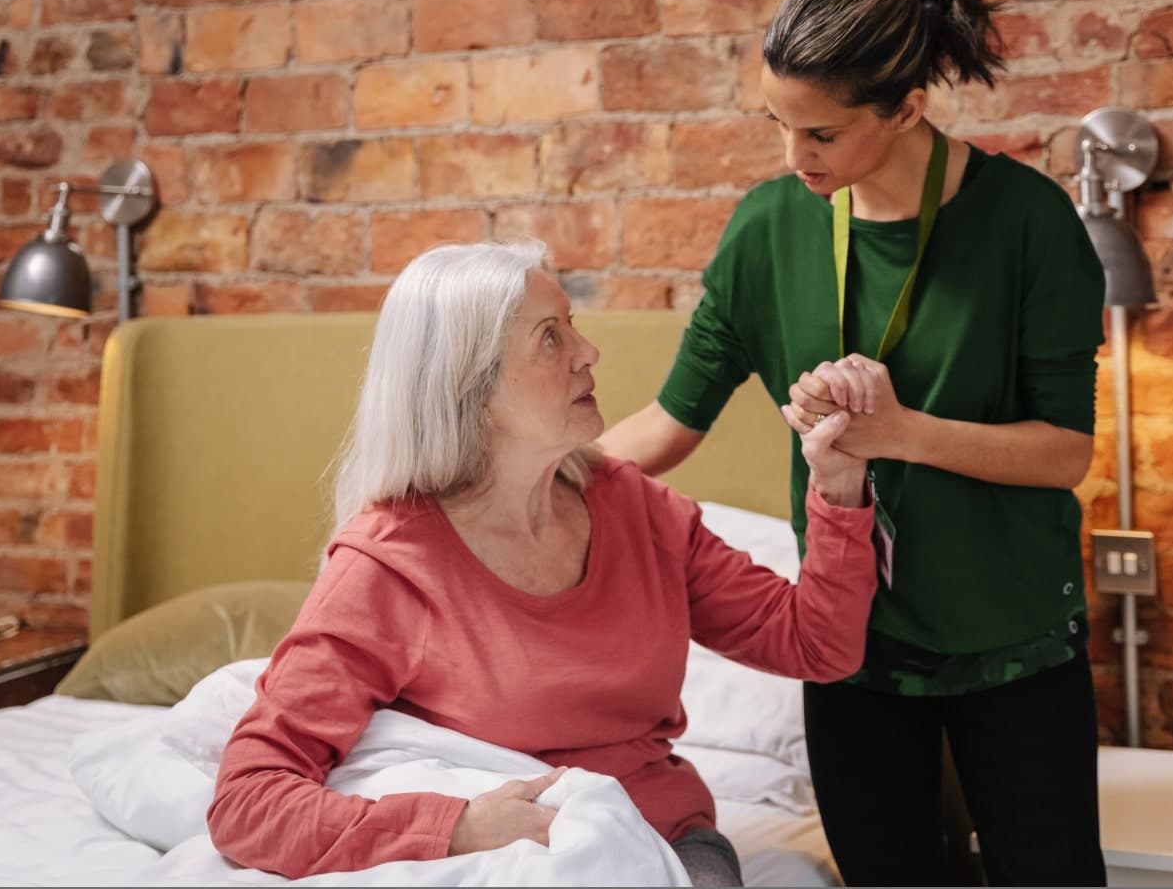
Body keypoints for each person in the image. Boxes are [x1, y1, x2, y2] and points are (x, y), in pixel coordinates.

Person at [599, 0, 1108, 888]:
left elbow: (1063, 454)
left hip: (1015, 646)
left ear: (906, 108)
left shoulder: (1029, 223)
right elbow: (666, 426)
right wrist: (508, 486)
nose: (793, 157)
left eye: (821, 135)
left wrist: (900, 434)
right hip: (851, 656)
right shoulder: (766, 229)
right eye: (778, 125)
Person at [206, 240, 878, 887]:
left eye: (571, 326)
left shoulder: (636, 509)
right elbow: (248, 801)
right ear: (472, 387)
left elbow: (816, 645)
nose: (589, 352)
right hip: (495, 859)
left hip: (660, 839)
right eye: (551, 338)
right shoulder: (389, 565)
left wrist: (839, 483)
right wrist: (458, 827)